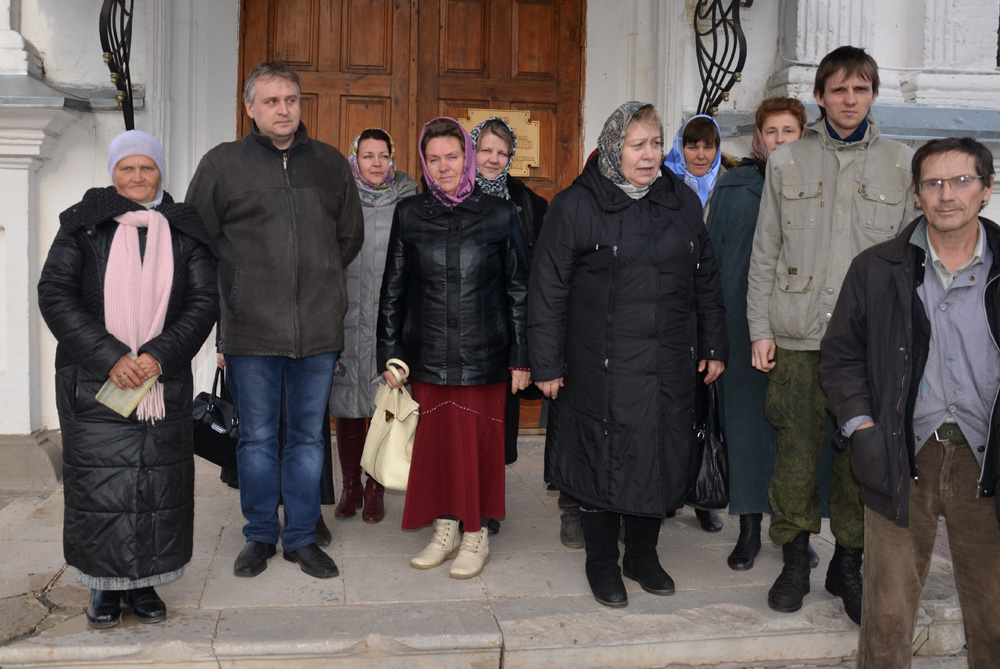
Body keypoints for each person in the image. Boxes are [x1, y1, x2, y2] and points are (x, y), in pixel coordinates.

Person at [529, 102, 727, 607]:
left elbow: (706, 276)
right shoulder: (576, 205)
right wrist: (546, 363)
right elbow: (547, 289)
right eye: (637, 145)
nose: (649, 155)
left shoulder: (680, 200)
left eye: (656, 144)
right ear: (614, 147)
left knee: (658, 455)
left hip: (668, 362)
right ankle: (601, 561)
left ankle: (642, 555)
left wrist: (712, 345)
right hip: (599, 364)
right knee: (602, 457)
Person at [746, 46, 916, 623]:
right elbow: (765, 253)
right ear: (819, 96)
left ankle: (848, 564)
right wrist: (760, 328)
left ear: (873, 95)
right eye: (838, 89)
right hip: (797, 339)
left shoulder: (900, 163)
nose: (849, 99)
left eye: (860, 89)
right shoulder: (787, 161)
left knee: (859, 460)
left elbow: (908, 266)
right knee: (794, 456)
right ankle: (795, 560)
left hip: (868, 347)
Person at [820, 137, 1000, 667]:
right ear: (916, 194)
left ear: (986, 189)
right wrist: (864, 429)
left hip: (987, 460)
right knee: (887, 615)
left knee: (994, 617)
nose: (947, 194)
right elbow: (840, 356)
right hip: (900, 455)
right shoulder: (876, 268)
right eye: (933, 183)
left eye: (961, 180)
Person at [186, 61, 364, 580]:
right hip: (251, 332)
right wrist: (231, 307)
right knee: (257, 440)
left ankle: (302, 538)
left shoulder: (330, 164)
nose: (283, 109)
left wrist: (320, 279)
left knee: (308, 440)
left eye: (291, 99)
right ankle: (260, 534)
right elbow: (198, 242)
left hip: (317, 333)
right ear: (250, 108)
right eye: (271, 101)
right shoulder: (221, 165)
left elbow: (348, 237)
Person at [37, 130, 219, 628]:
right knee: (100, 489)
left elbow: (204, 301)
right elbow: (55, 294)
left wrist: (158, 356)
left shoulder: (183, 227)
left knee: (158, 487)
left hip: (162, 381)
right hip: (93, 380)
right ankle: (102, 586)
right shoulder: (84, 224)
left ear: (160, 172)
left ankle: (145, 584)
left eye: (147, 167)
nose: (138, 177)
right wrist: (112, 356)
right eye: (127, 168)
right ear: (113, 173)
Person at [377, 117, 529, 580]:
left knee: (479, 448)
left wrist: (521, 356)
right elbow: (393, 290)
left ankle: (476, 534)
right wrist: (389, 353)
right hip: (428, 354)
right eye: (435, 158)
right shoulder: (410, 213)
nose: (444, 166)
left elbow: (519, 289)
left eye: (453, 156)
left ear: (468, 158)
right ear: (424, 163)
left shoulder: (500, 213)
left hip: (484, 355)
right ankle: (446, 530)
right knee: (438, 448)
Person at [706, 97, 812, 569]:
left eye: (789, 131)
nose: (780, 139)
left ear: (802, 136)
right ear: (757, 139)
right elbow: (710, 259)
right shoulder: (733, 186)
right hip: (739, 326)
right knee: (746, 429)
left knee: (798, 434)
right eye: (772, 131)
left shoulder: (815, 186)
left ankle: (794, 531)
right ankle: (748, 529)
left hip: (798, 329)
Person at [469, 117, 557, 538]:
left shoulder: (529, 204)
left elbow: (535, 275)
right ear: (472, 151)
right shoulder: (452, 195)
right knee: (461, 421)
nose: (493, 159)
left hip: (506, 330)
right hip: (460, 328)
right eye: (486, 150)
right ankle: (457, 501)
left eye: (501, 152)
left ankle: (488, 505)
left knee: (495, 423)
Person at [329, 128, 418, 524]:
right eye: (368, 156)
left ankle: (376, 486)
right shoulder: (339, 201)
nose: (377, 164)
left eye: (384, 155)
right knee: (348, 408)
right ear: (355, 159)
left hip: (389, 321)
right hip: (346, 318)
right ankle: (350, 486)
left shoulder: (409, 202)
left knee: (386, 405)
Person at [663, 112, 726, 533]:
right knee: (672, 408)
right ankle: (669, 490)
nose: (700, 154)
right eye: (692, 145)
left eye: (708, 146)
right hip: (674, 311)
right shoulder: (665, 185)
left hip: (713, 306)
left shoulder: (728, 187)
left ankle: (703, 494)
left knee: (706, 409)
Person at [664, 114, 723, 208]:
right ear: (680, 150)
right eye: (693, 148)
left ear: (717, 150)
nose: (701, 156)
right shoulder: (662, 184)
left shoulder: (731, 186)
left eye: (708, 147)